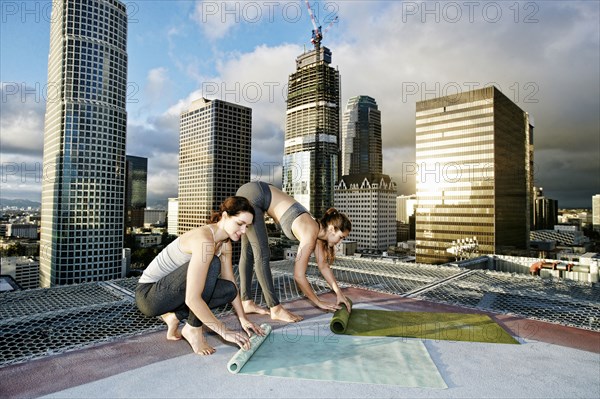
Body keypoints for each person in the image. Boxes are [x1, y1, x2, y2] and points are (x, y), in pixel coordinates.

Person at [135, 196, 264, 355]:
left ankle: (174, 317)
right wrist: (223, 331)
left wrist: (243, 318)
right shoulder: (205, 241)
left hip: (172, 293)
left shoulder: (225, 244)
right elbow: (192, 298)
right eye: (239, 224)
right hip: (149, 296)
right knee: (212, 264)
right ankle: (193, 330)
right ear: (224, 216)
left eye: (247, 226)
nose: (244, 231)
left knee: (229, 289)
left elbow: (230, 280)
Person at [236, 181, 352, 323]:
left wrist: (339, 293)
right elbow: (298, 276)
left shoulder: (317, 232)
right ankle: (275, 308)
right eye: (341, 237)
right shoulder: (310, 232)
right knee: (262, 254)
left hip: (254, 192)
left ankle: (246, 302)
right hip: (255, 195)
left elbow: (323, 266)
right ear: (333, 229)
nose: (340, 241)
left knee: (248, 252)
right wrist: (318, 302)